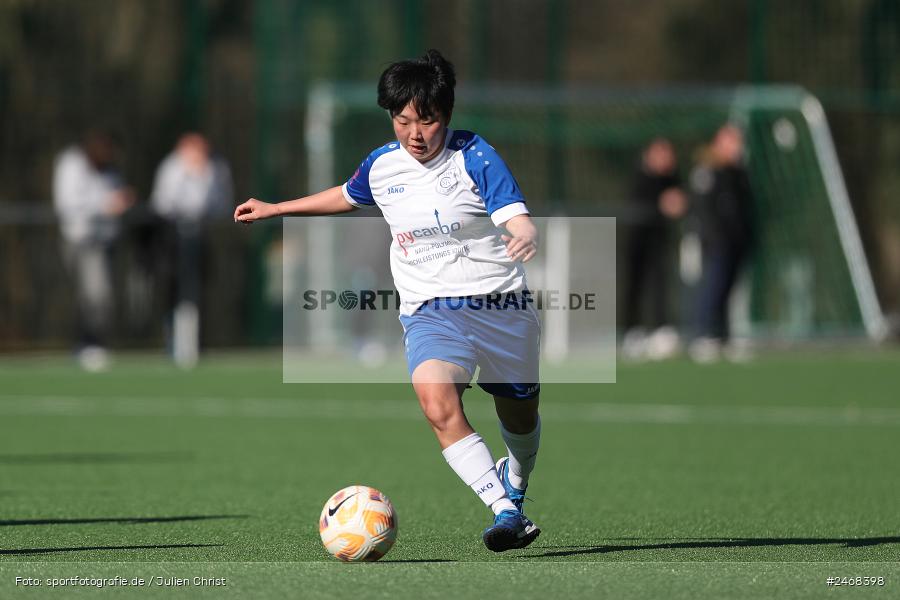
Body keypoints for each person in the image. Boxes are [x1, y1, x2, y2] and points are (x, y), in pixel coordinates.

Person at [235, 50, 542, 552]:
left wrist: (524, 231)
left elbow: (515, 213)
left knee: (520, 420)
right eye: (403, 121)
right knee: (436, 401)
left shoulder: (475, 156)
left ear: (447, 115)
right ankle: (505, 511)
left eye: (428, 120)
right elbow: (346, 194)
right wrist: (276, 208)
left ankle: (518, 477)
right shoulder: (383, 165)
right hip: (430, 312)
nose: (415, 133)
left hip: (499, 306)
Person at [53, 129, 134, 371]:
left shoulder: (109, 171)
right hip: (80, 239)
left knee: (99, 295)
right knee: (94, 295)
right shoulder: (71, 164)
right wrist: (107, 205)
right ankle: (88, 343)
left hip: (104, 240)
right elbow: (68, 203)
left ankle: (90, 343)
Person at [150, 133, 233, 368]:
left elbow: (221, 202)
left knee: (197, 289)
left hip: (202, 235)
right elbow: (163, 202)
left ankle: (195, 345)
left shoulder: (216, 169)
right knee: (172, 289)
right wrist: (189, 176)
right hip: (172, 237)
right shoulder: (171, 168)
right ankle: (172, 342)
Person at [689, 124, 755, 362]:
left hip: (737, 240)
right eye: (731, 142)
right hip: (716, 241)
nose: (736, 148)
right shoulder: (707, 171)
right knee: (713, 286)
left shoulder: (737, 172)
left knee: (730, 289)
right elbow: (703, 210)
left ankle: (724, 335)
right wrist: (713, 236)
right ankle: (704, 334)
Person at [621, 137, 688, 360]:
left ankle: (661, 329)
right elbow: (638, 205)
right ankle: (632, 331)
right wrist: (661, 205)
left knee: (660, 282)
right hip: (635, 238)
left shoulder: (672, 178)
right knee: (634, 283)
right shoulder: (638, 176)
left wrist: (678, 204)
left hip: (659, 238)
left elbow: (679, 202)